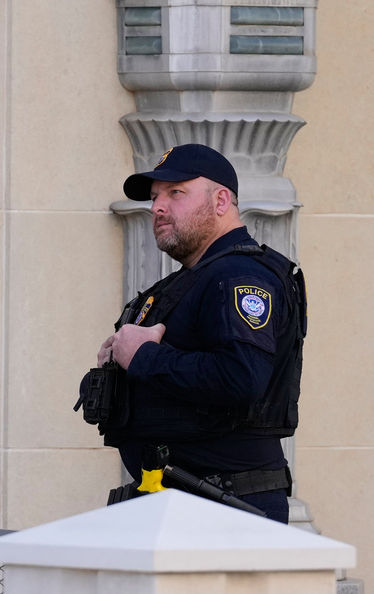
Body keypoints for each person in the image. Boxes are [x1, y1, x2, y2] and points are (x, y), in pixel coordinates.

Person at [82, 143, 305, 522]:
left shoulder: (239, 277)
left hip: (226, 506)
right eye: (155, 198)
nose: (157, 208)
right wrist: (118, 361)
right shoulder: (191, 281)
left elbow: (242, 377)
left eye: (176, 193)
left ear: (221, 201)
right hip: (183, 500)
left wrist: (144, 357)